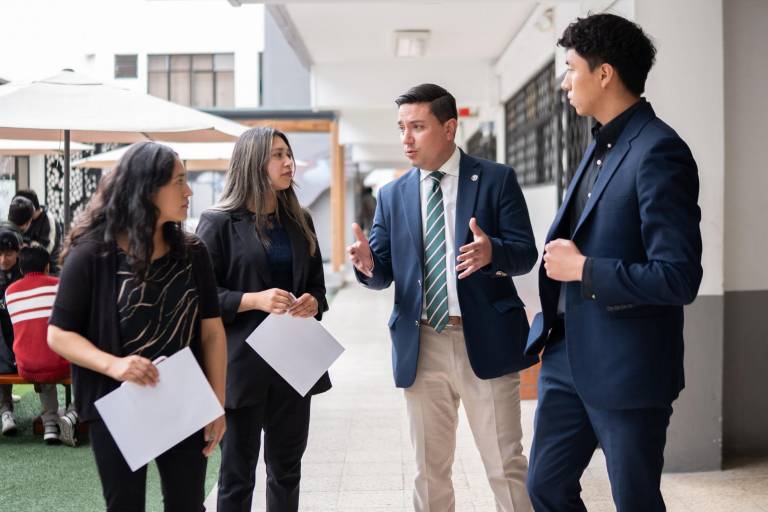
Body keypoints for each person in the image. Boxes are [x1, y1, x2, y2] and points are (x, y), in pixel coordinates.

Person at [524, 14, 703, 512]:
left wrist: (584, 269)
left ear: (605, 74)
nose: (563, 83)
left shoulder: (658, 150)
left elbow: (679, 276)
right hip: (565, 359)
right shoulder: (598, 145)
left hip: (628, 366)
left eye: (570, 69)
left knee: (635, 501)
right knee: (545, 486)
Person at [347, 83, 538, 512]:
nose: (406, 139)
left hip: (484, 338)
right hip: (423, 344)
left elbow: (525, 254)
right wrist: (367, 266)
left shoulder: (495, 179)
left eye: (417, 126)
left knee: (504, 466)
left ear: (449, 127)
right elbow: (384, 273)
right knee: (429, 471)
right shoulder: (392, 195)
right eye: (401, 128)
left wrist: (493, 253)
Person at [47, 141, 227, 511]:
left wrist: (217, 403)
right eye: (179, 182)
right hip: (116, 404)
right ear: (146, 189)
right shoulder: (92, 254)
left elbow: (211, 331)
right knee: (125, 505)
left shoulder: (193, 253)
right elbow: (58, 334)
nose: (188, 190)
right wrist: (115, 365)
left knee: (188, 504)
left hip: (183, 398)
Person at [196, 126, 330, 512]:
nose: (288, 163)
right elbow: (201, 299)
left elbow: (319, 289)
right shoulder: (218, 222)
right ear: (253, 162)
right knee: (237, 476)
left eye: (289, 154)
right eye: (278, 155)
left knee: (287, 470)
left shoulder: (300, 219)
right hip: (241, 366)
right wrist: (253, 300)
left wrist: (312, 303)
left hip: (294, 362)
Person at [6, 245, 73, 445]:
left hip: (25, 366)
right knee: (86, 364)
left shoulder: (10, 293)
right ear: (46, 267)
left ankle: (50, 426)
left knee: (39, 355)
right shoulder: (59, 285)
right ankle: (73, 414)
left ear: (20, 269)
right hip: (59, 363)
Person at [0, 228, 23, 436]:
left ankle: (49, 415)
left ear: (17, 253)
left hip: (22, 338)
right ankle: (6, 410)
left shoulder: (25, 274)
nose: (3, 259)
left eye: (8, 254)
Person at [13, 190, 64, 274]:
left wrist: (25, 247)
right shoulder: (25, 219)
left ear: (31, 207)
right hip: (26, 267)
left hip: (48, 269)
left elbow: (46, 251)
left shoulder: (49, 221)